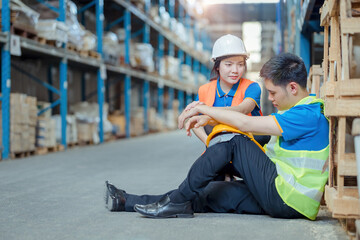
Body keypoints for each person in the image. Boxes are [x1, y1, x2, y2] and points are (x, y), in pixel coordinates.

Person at [105, 53, 329, 221]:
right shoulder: (295, 113)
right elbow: (252, 130)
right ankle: (126, 201)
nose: (270, 99)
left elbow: (245, 122)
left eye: (272, 92)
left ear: (292, 87)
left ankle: (176, 202)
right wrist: (212, 121)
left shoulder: (307, 114)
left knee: (235, 143)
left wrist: (204, 110)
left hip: (288, 197)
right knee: (209, 193)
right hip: (282, 195)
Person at [189, 34, 267, 146]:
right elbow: (195, 121)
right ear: (217, 66)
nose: (235, 70)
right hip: (218, 148)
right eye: (228, 64)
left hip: (248, 149)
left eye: (240, 64)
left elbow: (242, 110)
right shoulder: (204, 90)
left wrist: (207, 113)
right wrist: (208, 142)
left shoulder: (252, 87)